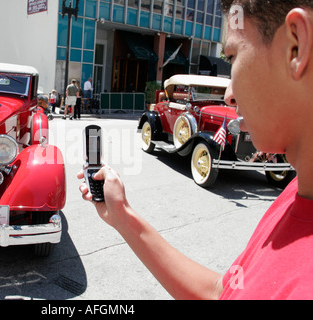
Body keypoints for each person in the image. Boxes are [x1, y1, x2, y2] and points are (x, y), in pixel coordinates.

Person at [78, 0, 313, 299]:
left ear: (295, 46)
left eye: (232, 56)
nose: (229, 95)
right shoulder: (294, 194)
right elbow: (223, 292)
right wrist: (121, 214)